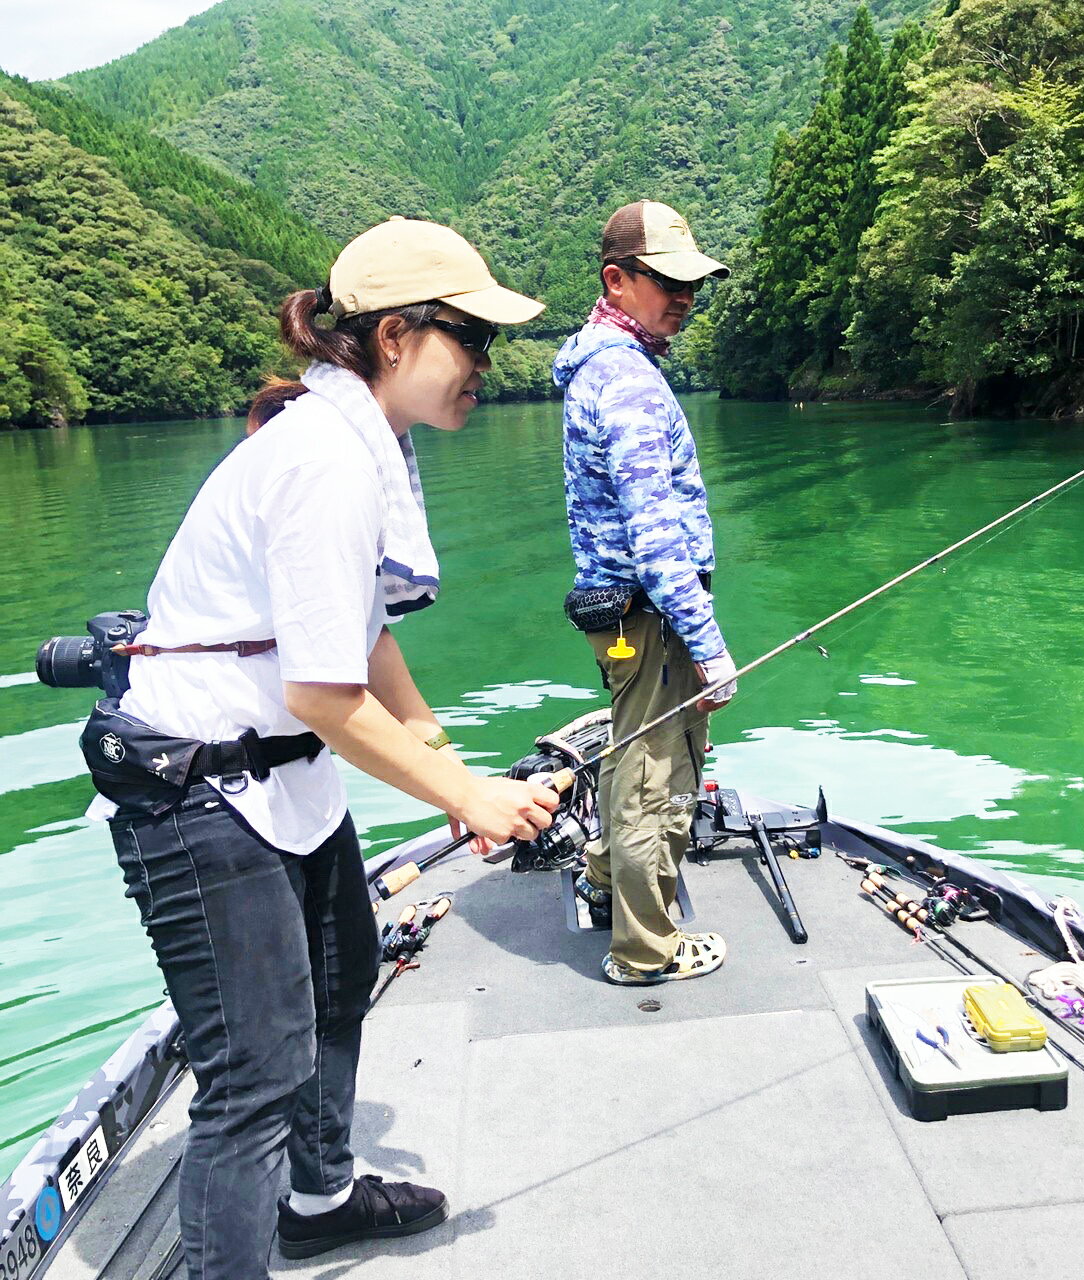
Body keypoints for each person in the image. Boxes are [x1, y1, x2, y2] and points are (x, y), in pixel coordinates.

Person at [84, 216, 559, 1278]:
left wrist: (431, 741)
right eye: (472, 339)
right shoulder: (323, 463)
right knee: (251, 1075)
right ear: (395, 335)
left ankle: (320, 1195)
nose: (487, 365)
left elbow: (362, 628)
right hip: (200, 794)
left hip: (285, 778)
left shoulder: (360, 444)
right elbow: (322, 690)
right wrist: (467, 793)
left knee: (341, 983)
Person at [552, 199, 738, 986]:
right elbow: (656, 537)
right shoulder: (625, 380)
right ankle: (644, 951)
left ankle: (602, 874)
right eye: (666, 280)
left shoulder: (610, 366)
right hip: (652, 613)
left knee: (635, 759)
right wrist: (712, 646)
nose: (684, 295)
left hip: (633, 614)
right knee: (652, 778)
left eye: (692, 280)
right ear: (616, 281)